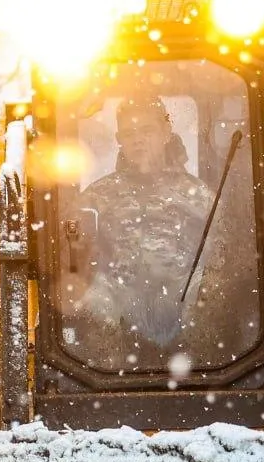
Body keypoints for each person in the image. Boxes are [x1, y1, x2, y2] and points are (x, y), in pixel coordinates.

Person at [74, 95, 217, 350]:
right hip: (115, 333)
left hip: (188, 326)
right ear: (120, 141)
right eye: (129, 133)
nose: (138, 139)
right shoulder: (97, 198)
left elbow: (222, 258)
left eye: (147, 130)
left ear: (165, 132)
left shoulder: (200, 198)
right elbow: (75, 258)